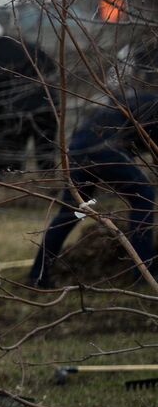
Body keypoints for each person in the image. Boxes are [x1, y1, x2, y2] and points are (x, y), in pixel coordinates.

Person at [26, 93, 158, 288]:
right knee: (144, 198)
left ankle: (38, 275)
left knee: (73, 212)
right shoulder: (153, 104)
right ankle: (143, 272)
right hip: (106, 148)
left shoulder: (145, 99)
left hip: (80, 145)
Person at [0, 18, 58, 174]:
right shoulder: (27, 46)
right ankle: (50, 183)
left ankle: (14, 187)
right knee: (45, 149)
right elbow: (51, 69)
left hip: (14, 114)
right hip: (46, 106)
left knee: (13, 154)